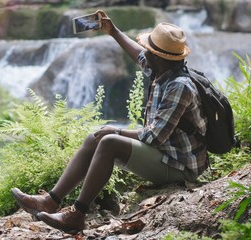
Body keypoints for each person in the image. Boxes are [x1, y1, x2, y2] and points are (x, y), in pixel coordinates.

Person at [11, 9, 208, 234]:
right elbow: (139, 56)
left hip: (179, 166)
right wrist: (113, 32)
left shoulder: (179, 86)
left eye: (150, 50)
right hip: (165, 153)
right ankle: (50, 201)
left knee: (109, 142)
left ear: (160, 57)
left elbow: (155, 137)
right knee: (94, 138)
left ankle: (77, 215)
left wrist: (116, 131)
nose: (145, 53)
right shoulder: (163, 70)